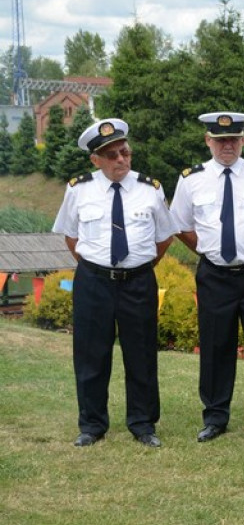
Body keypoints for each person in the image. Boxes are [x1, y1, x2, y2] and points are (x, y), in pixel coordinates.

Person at [52, 118, 176, 448]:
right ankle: (92, 425)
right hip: (94, 281)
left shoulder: (151, 188)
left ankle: (143, 423)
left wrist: (142, 264)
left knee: (142, 354)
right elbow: (70, 235)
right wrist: (96, 267)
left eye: (124, 152)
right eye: (111, 155)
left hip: (138, 282)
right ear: (95, 160)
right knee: (91, 355)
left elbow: (165, 237)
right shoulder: (78, 188)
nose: (120, 159)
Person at [170, 111, 244, 443]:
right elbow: (180, 225)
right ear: (208, 141)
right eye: (220, 140)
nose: (227, 145)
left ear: (243, 141)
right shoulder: (191, 179)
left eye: (233, 139)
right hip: (214, 276)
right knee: (214, 345)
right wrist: (211, 250)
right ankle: (215, 416)